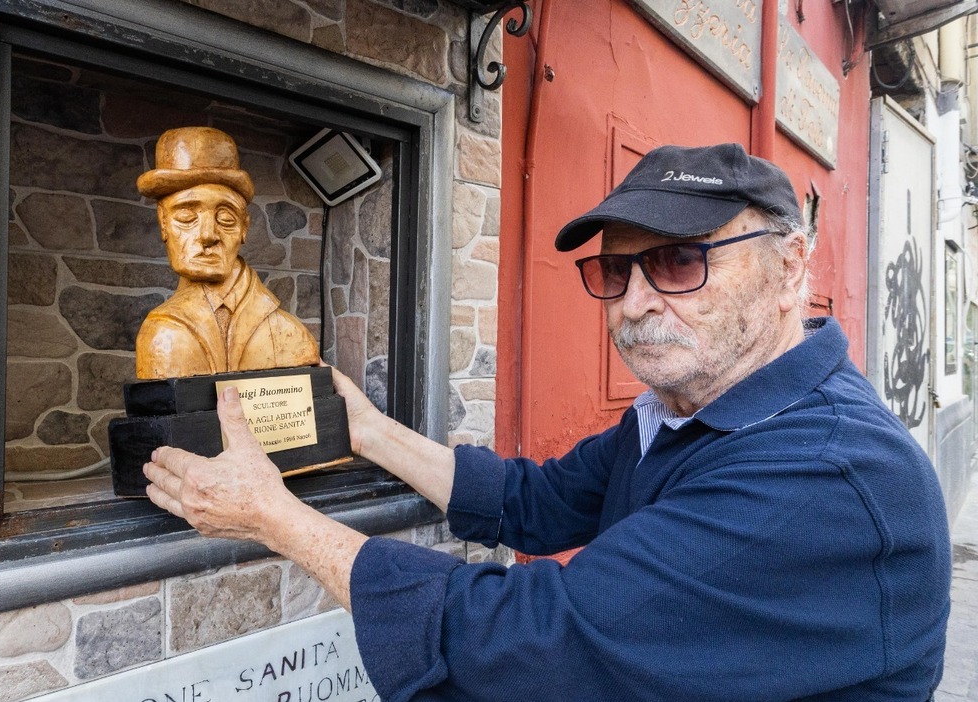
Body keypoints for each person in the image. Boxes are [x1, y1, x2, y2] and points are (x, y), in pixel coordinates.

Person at [144, 143, 951, 700]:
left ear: (790, 266)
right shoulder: (683, 411)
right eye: (616, 269)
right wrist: (366, 431)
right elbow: (534, 500)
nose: (635, 303)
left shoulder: (826, 474)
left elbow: (538, 639)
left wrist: (275, 518)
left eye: (680, 262)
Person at [135, 126, 319, 379]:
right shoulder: (160, 330)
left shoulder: (287, 333)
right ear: (163, 223)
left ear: (245, 228)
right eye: (187, 216)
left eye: (226, 218)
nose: (208, 234)